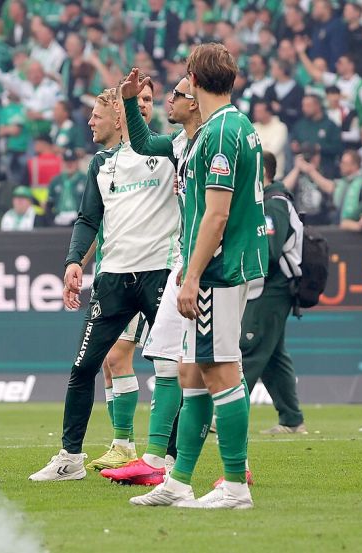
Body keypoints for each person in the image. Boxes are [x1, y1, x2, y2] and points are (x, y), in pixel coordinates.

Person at [131, 43, 267, 510]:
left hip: (219, 270)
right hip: (216, 267)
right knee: (191, 371)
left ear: (193, 75)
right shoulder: (226, 126)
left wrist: (190, 278)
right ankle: (180, 480)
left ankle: (234, 486)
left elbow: (216, 214)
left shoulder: (222, 130)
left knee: (220, 369)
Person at [28, 82, 179, 482]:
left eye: (96, 114)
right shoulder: (101, 163)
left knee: (171, 367)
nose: (90, 122)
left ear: (117, 115)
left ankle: (168, 462)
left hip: (159, 274)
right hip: (113, 280)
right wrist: (74, 260)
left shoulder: (168, 152)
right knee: (84, 367)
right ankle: (70, 458)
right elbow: (88, 219)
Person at [100, 71, 204, 487]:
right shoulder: (180, 143)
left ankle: (234, 466)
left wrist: (197, 264)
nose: (166, 102)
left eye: (175, 95)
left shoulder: (216, 138)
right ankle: (156, 457)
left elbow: (219, 210)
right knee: (172, 360)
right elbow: (143, 143)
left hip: (201, 263)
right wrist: (127, 100)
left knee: (217, 362)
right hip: (186, 263)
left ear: (194, 101)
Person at [241, 152, 307, 435]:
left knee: (251, 348)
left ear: (261, 173)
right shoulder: (272, 201)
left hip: (273, 287)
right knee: (273, 356)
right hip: (272, 287)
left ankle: (223, 413)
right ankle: (292, 420)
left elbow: (268, 252)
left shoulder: (272, 205)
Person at [283, 144, 337, 225]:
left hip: (321, 221)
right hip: (299, 221)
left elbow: (331, 189)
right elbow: (283, 190)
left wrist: (311, 171)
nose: (312, 160)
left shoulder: (325, 171)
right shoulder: (295, 174)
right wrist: (297, 168)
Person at [45, 149, 85, 227]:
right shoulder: (56, 180)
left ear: (77, 163)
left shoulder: (85, 179)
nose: (69, 164)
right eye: (67, 162)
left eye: (72, 162)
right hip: (59, 217)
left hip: (79, 218)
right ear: (63, 163)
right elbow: (49, 203)